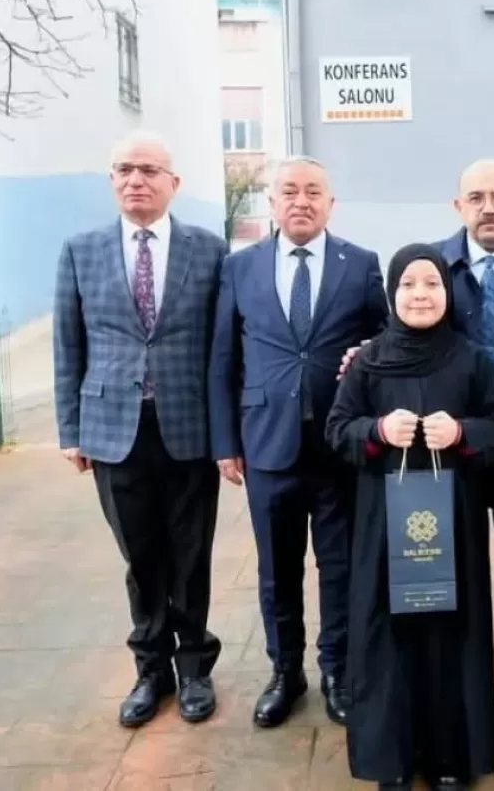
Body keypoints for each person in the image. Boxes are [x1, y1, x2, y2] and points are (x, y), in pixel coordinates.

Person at [325, 244, 494, 791]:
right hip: (383, 527)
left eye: (431, 283)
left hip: (453, 522)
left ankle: (452, 757)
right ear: (391, 293)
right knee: (388, 635)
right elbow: (338, 430)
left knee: (451, 632)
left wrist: (462, 433)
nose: (420, 295)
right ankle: (394, 757)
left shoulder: (470, 358)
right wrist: (378, 431)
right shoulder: (367, 361)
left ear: (448, 292)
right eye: (408, 284)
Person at [52, 130, 227, 727]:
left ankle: (195, 668)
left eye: (150, 170)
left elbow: (222, 346)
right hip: (112, 430)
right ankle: (150, 670)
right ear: (111, 180)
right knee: (141, 555)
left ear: (173, 184)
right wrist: (69, 429)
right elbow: (67, 344)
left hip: (188, 427)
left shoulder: (209, 250)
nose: (136, 179)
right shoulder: (82, 250)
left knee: (191, 552)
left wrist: (228, 433)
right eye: (125, 169)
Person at [208, 155, 389, 729]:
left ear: (331, 203)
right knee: (277, 569)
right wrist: (223, 442)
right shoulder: (241, 268)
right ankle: (285, 672)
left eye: (314, 191)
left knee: (339, 567)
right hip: (266, 446)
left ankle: (336, 669)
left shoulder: (360, 265)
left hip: (339, 449)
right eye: (290, 191)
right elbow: (222, 360)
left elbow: (386, 341)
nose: (301, 201)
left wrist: (369, 357)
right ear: (272, 202)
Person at [340, 159, 494, 594]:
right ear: (458, 205)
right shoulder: (432, 268)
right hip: (449, 451)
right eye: (476, 198)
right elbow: (404, 332)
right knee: (454, 572)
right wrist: (367, 355)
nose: (488, 208)